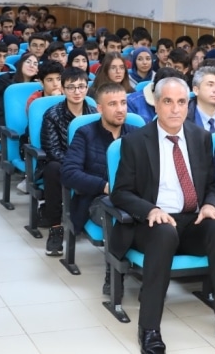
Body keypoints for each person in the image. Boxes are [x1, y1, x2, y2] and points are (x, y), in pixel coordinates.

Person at [110, 77, 215, 354]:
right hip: (152, 223)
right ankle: (149, 328)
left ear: (189, 104)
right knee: (164, 233)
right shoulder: (136, 142)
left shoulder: (200, 137)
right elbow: (120, 193)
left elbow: (212, 184)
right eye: (168, 102)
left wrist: (210, 204)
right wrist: (151, 209)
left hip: (191, 219)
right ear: (156, 105)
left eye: (182, 102)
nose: (176, 109)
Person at [61, 82, 137, 292]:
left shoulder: (137, 134)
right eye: (112, 104)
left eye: (123, 102)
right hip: (97, 200)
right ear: (100, 108)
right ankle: (113, 274)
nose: (120, 109)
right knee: (120, 218)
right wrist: (104, 187)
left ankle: (147, 271)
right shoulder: (85, 134)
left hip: (134, 197)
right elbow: (69, 173)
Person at [39, 68, 97, 255]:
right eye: (71, 87)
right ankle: (56, 228)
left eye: (81, 86)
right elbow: (52, 150)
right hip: (64, 165)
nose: (77, 91)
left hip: (89, 165)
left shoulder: (94, 112)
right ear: (63, 89)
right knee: (53, 168)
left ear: (87, 88)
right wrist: (77, 166)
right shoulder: (53, 114)